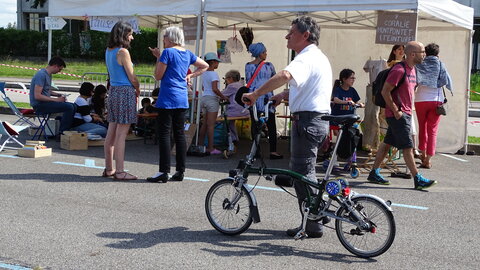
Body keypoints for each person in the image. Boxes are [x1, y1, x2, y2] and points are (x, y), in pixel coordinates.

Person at [243, 16, 332, 238]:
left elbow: (284, 75)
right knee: (302, 172)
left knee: (303, 173)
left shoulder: (305, 57)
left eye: (291, 32)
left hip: (308, 121)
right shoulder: (316, 57)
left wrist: (255, 94)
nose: (287, 36)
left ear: (305, 35)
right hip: (315, 120)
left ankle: (315, 220)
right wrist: (284, 94)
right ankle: (314, 219)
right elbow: (309, 88)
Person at [367, 41, 437, 190]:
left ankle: (374, 172)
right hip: (398, 115)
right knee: (408, 147)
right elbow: (385, 91)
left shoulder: (413, 70)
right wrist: (396, 110)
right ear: (412, 54)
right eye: (422, 52)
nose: (424, 55)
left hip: (404, 113)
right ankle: (418, 179)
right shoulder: (399, 70)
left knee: (386, 145)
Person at [147, 26, 208, 183]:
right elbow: (205, 65)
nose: (163, 40)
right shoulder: (187, 53)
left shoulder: (168, 52)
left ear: (170, 38)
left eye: (165, 37)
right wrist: (191, 75)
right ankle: (180, 170)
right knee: (179, 134)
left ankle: (163, 171)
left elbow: (158, 75)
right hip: (181, 97)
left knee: (165, 134)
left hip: (167, 97)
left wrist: (158, 58)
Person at [103, 21, 140, 181]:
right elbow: (132, 76)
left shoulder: (108, 50)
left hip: (114, 92)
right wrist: (137, 88)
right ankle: (120, 171)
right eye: (130, 34)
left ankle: (109, 168)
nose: (131, 38)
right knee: (121, 134)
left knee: (111, 132)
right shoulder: (123, 51)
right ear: (124, 35)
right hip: (125, 92)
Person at [415, 43, 453, 169]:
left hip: (420, 99)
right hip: (436, 100)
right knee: (432, 130)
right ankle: (428, 159)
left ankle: (423, 152)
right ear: (437, 54)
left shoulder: (419, 63)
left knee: (422, 127)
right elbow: (446, 80)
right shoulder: (441, 64)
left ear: (425, 53)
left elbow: (415, 80)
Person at [245, 43, 282, 159]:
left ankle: (256, 151)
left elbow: (248, 80)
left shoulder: (247, 66)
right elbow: (274, 79)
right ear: (260, 53)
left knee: (255, 125)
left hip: (253, 97)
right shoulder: (269, 66)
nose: (266, 53)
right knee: (271, 124)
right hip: (267, 97)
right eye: (265, 52)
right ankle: (273, 151)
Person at [29, 56, 76, 134]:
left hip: (44, 103)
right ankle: (63, 131)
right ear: (55, 66)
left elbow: (46, 90)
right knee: (69, 107)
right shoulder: (41, 75)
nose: (59, 71)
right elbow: (37, 96)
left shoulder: (48, 75)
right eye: (59, 69)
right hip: (39, 105)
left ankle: (64, 126)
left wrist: (58, 95)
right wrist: (56, 100)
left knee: (74, 106)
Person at [198, 52, 228, 155]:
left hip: (204, 98)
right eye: (217, 62)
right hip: (212, 100)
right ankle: (211, 148)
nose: (218, 64)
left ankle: (200, 145)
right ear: (213, 62)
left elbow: (203, 87)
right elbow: (215, 89)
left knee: (204, 124)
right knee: (211, 125)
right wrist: (223, 96)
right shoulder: (214, 74)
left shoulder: (203, 73)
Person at [330, 69, 364, 135]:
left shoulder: (352, 90)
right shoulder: (338, 90)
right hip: (337, 119)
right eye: (351, 78)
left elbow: (355, 103)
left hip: (349, 120)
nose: (353, 80)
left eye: (354, 78)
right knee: (339, 136)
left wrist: (360, 104)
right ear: (344, 79)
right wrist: (347, 102)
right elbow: (335, 100)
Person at [221, 70, 250, 142]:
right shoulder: (241, 84)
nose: (226, 81)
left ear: (230, 78)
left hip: (236, 111)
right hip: (245, 111)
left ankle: (230, 139)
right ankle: (234, 138)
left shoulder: (231, 86)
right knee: (231, 121)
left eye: (226, 79)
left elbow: (221, 95)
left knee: (221, 118)